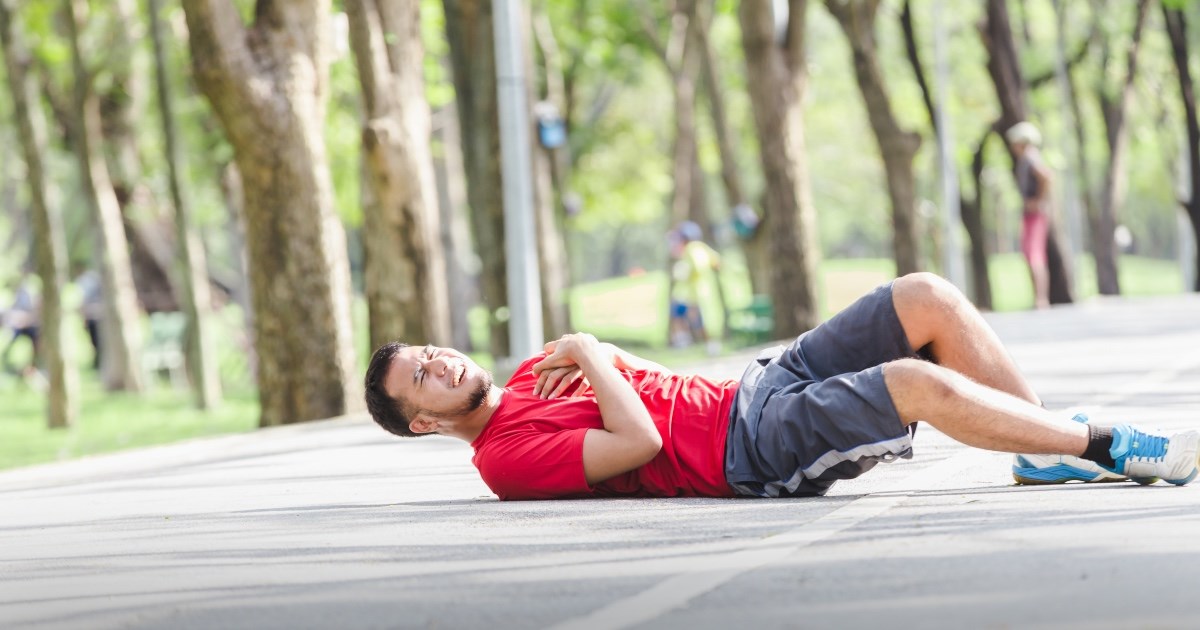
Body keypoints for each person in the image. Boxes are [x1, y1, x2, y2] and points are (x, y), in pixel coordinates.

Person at [363, 273, 1200, 500]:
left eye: (430, 352)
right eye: (421, 381)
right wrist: (591, 352)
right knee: (909, 380)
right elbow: (639, 442)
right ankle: (1102, 446)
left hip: (751, 390)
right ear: (428, 424)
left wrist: (596, 354)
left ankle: (1044, 447)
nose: (439, 363)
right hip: (746, 451)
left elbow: (634, 371)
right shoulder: (504, 462)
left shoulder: (528, 375)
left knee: (924, 298)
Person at [1006, 121, 1054, 309]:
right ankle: (1039, 298)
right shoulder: (1028, 158)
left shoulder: (1029, 157)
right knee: (1033, 254)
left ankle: (1040, 299)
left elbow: (1046, 176)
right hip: (1032, 213)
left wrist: (1038, 200)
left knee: (1034, 255)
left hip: (1035, 214)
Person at [667, 221, 722, 354]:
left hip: (693, 293)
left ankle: (690, 342)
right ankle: (706, 344)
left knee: (695, 319)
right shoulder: (702, 247)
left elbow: (696, 267)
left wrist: (683, 272)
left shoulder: (691, 248)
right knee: (693, 318)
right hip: (701, 291)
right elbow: (717, 262)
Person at [1, 273, 41, 377]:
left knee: (37, 342)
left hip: (32, 327)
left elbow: (35, 315)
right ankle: (8, 364)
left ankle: (34, 366)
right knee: (10, 340)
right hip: (18, 326)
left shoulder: (33, 294)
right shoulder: (16, 296)